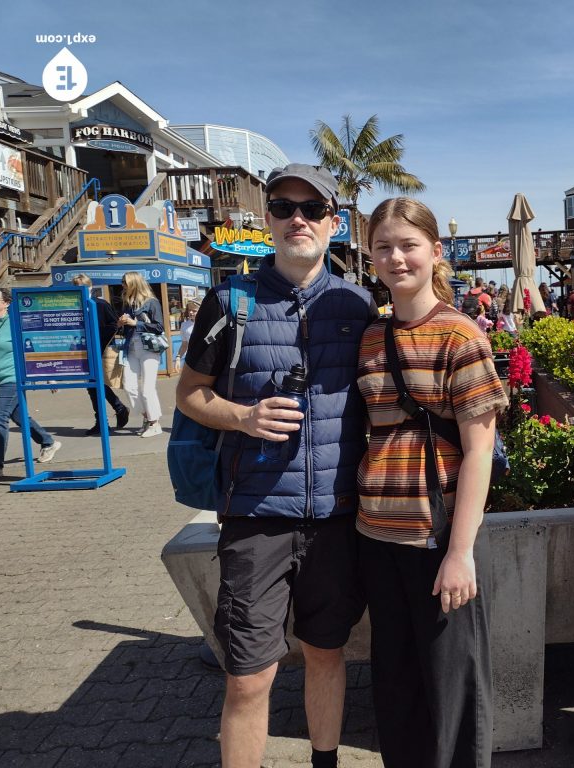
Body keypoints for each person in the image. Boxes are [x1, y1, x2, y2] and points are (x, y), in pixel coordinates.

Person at [176, 163, 376, 768]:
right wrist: (242, 417)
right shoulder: (227, 302)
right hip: (255, 517)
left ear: (333, 224)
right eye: (285, 207)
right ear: (268, 220)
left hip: (339, 517)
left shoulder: (357, 304)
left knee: (325, 653)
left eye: (312, 210)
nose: (298, 219)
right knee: (248, 676)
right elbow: (188, 393)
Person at [356, 197, 508, 768]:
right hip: (376, 537)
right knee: (396, 690)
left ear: (435, 252)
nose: (397, 258)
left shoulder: (459, 336)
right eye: (384, 247)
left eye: (408, 245)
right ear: (371, 257)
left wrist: (461, 552)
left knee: (453, 692)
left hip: (438, 541)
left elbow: (479, 452)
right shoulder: (373, 337)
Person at [0, 285, 61, 481]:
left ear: (6, 303)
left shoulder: (15, 324)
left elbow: (33, 348)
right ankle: (47, 442)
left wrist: (48, 373)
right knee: (19, 415)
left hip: (12, 378)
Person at [71, 274, 130, 435]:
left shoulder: (100, 304)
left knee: (94, 384)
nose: (80, 290)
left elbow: (115, 325)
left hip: (101, 348)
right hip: (83, 350)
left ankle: (106, 418)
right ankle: (115, 411)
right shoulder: (74, 306)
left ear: (90, 287)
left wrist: (99, 337)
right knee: (93, 385)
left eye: (83, 287)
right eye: (76, 287)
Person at [118, 271, 165, 438]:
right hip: (131, 347)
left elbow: (159, 327)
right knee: (129, 385)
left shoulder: (152, 302)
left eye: (125, 282)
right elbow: (125, 327)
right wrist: (121, 323)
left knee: (146, 389)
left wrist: (135, 323)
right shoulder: (127, 304)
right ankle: (148, 417)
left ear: (134, 284)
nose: (123, 286)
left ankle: (155, 424)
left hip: (149, 349)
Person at [174, 300, 200, 371]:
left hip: (204, 360)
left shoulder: (207, 324)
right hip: (190, 359)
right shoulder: (184, 325)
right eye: (189, 310)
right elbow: (184, 345)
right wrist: (178, 358)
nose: (191, 312)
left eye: (194, 311)